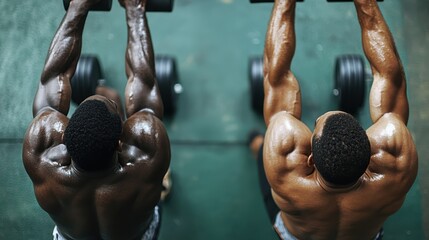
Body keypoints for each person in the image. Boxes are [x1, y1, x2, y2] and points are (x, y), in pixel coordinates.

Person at [248, 0, 418, 239]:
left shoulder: (286, 173)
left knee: (264, 151)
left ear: (309, 160)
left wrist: (284, 3)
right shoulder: (395, 170)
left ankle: (256, 149)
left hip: (297, 233)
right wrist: (366, 4)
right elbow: (391, 76)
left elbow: (276, 77)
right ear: (370, 155)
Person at [22, 0, 170, 239]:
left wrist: (77, 7)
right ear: (120, 143)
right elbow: (144, 82)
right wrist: (135, 10)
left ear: (65, 140)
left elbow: (53, 77)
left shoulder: (43, 160)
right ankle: (163, 186)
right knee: (155, 185)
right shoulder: (146, 161)